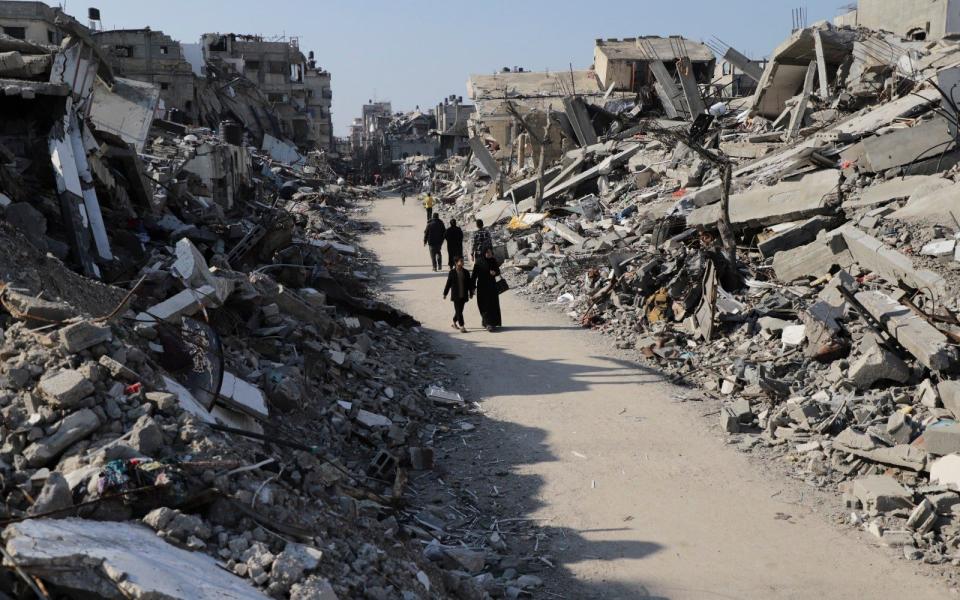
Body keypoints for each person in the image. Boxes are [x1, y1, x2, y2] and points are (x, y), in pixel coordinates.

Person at [471, 247, 502, 331]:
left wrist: (495, 272)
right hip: (482, 287)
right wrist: (473, 287)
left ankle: (492, 323)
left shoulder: (493, 261)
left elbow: (498, 272)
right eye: (487, 252)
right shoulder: (479, 262)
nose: (489, 254)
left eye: (490, 252)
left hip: (492, 286)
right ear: (484, 253)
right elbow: (474, 275)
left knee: (492, 305)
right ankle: (488, 323)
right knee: (484, 305)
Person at [443, 256, 474, 333]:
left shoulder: (466, 272)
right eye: (461, 261)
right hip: (456, 295)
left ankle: (454, 321)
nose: (463, 262)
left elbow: (469, 284)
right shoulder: (452, 272)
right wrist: (445, 293)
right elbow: (448, 284)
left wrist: (471, 293)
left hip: (463, 294)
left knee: (459, 310)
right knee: (459, 311)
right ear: (456, 263)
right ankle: (462, 326)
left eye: (463, 261)